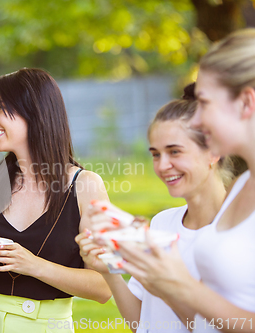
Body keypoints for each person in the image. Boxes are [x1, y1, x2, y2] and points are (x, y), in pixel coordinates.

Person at [85, 28, 255, 333]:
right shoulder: (242, 189)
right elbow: (149, 321)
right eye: (154, 154)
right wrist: (112, 265)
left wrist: (174, 285)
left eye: (205, 103)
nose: (199, 119)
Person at [0, 68, 111, 332]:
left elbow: (104, 288)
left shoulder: (85, 186)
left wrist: (34, 266)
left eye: (0, 108)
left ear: (35, 113)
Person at [75, 84, 235, 332]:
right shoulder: (162, 224)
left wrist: (165, 285)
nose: (162, 165)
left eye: (174, 152)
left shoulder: (239, 233)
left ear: (213, 152)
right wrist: (108, 271)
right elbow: (142, 322)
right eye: (156, 154)